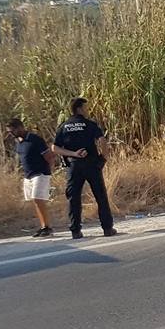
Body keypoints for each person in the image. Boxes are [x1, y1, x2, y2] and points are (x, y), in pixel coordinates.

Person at [53, 97, 117, 240]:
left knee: (73, 198)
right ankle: (107, 228)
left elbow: (55, 147)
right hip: (92, 164)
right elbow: (102, 140)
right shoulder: (89, 124)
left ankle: (75, 231)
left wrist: (73, 154)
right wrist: (103, 158)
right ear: (80, 109)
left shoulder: (64, 126)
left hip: (73, 166)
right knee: (100, 196)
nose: (87, 110)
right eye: (86, 107)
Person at [8, 118, 57, 237]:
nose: (11, 133)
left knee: (37, 199)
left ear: (20, 127)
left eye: (12, 131)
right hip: (28, 176)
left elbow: (49, 156)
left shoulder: (35, 139)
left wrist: (49, 172)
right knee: (35, 201)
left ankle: (47, 227)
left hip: (40, 174)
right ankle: (43, 226)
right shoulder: (19, 142)